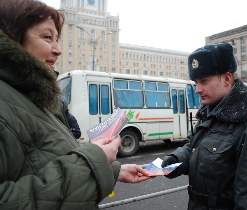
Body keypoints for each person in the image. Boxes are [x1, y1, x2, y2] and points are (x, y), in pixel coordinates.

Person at [0, 0, 149, 209]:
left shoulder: (32, 96)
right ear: (12, 37)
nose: (59, 50)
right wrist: (93, 162)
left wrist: (112, 170)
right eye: (47, 37)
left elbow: (48, 161)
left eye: (57, 39)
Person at [161, 43, 247, 209]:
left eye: (204, 81)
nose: (197, 89)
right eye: (196, 82)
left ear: (227, 78)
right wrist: (175, 160)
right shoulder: (210, 112)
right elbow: (197, 146)